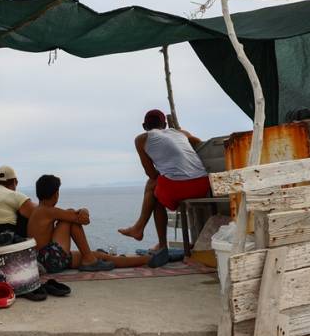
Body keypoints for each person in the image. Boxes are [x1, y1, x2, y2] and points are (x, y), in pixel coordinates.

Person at [118, 109, 210, 267]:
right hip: (203, 184)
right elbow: (198, 142)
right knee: (157, 189)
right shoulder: (181, 133)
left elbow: (151, 173)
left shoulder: (141, 139)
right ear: (165, 124)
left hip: (183, 187)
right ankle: (142, 231)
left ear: (144, 126)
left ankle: (151, 237)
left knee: (153, 186)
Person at [29, 175, 150, 273]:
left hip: (46, 260)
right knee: (70, 216)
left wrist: (80, 213)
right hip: (49, 259)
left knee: (99, 255)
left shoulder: (39, 211)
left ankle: (146, 259)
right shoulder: (47, 211)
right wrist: (84, 210)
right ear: (56, 194)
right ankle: (89, 260)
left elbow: (76, 218)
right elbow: (82, 220)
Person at [0, 165, 34, 245]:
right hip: (3, 234)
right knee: (24, 214)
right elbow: (36, 213)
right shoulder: (14, 195)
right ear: (15, 181)